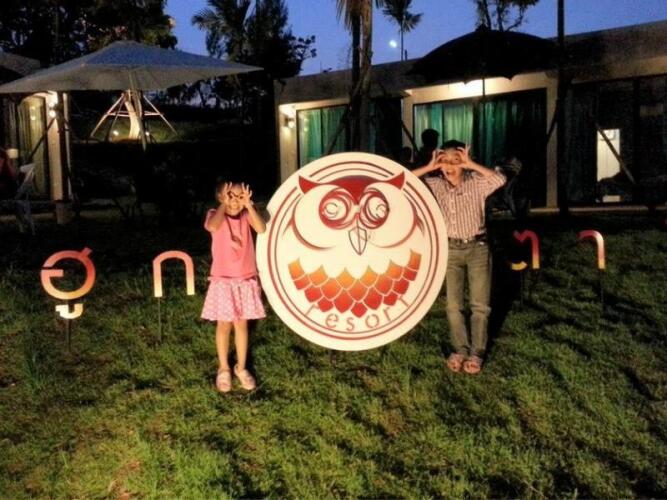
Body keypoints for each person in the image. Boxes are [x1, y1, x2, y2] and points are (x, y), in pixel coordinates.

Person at [412, 140, 506, 374]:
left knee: (479, 304)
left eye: (456, 160)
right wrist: (429, 167)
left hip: (477, 247)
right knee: (453, 305)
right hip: (450, 250)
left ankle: (477, 352)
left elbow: (500, 179)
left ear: (463, 163)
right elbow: (406, 180)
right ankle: (460, 349)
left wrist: (471, 164)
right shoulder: (436, 184)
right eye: (445, 161)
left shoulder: (476, 183)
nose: (450, 166)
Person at [201, 181, 266, 392]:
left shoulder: (247, 215)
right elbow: (212, 227)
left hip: (245, 280)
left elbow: (261, 228)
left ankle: (241, 367)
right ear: (220, 198)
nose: (234, 201)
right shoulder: (214, 214)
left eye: (239, 196)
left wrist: (248, 205)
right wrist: (223, 205)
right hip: (223, 280)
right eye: (229, 196)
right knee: (224, 325)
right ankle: (223, 368)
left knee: (241, 324)